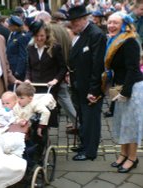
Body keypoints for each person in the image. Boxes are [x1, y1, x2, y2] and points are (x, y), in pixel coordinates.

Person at [104, 12, 143, 173]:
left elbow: (133, 70)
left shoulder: (129, 41)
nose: (111, 25)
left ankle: (132, 158)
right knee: (121, 123)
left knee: (130, 125)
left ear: (124, 25)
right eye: (109, 22)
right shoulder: (115, 40)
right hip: (121, 87)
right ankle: (123, 154)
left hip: (132, 88)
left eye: (115, 23)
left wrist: (125, 92)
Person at [67, 5, 107, 161]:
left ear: (85, 19)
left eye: (76, 21)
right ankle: (84, 144)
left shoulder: (96, 35)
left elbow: (98, 66)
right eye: (72, 21)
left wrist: (94, 90)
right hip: (79, 85)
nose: (73, 24)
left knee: (91, 120)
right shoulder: (82, 33)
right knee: (83, 118)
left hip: (91, 87)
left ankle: (90, 151)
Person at [6, 15, 28, 81]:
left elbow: (23, 55)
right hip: (10, 66)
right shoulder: (12, 34)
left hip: (16, 68)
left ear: (15, 26)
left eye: (10, 25)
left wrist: (18, 71)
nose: (8, 26)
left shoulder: (22, 37)